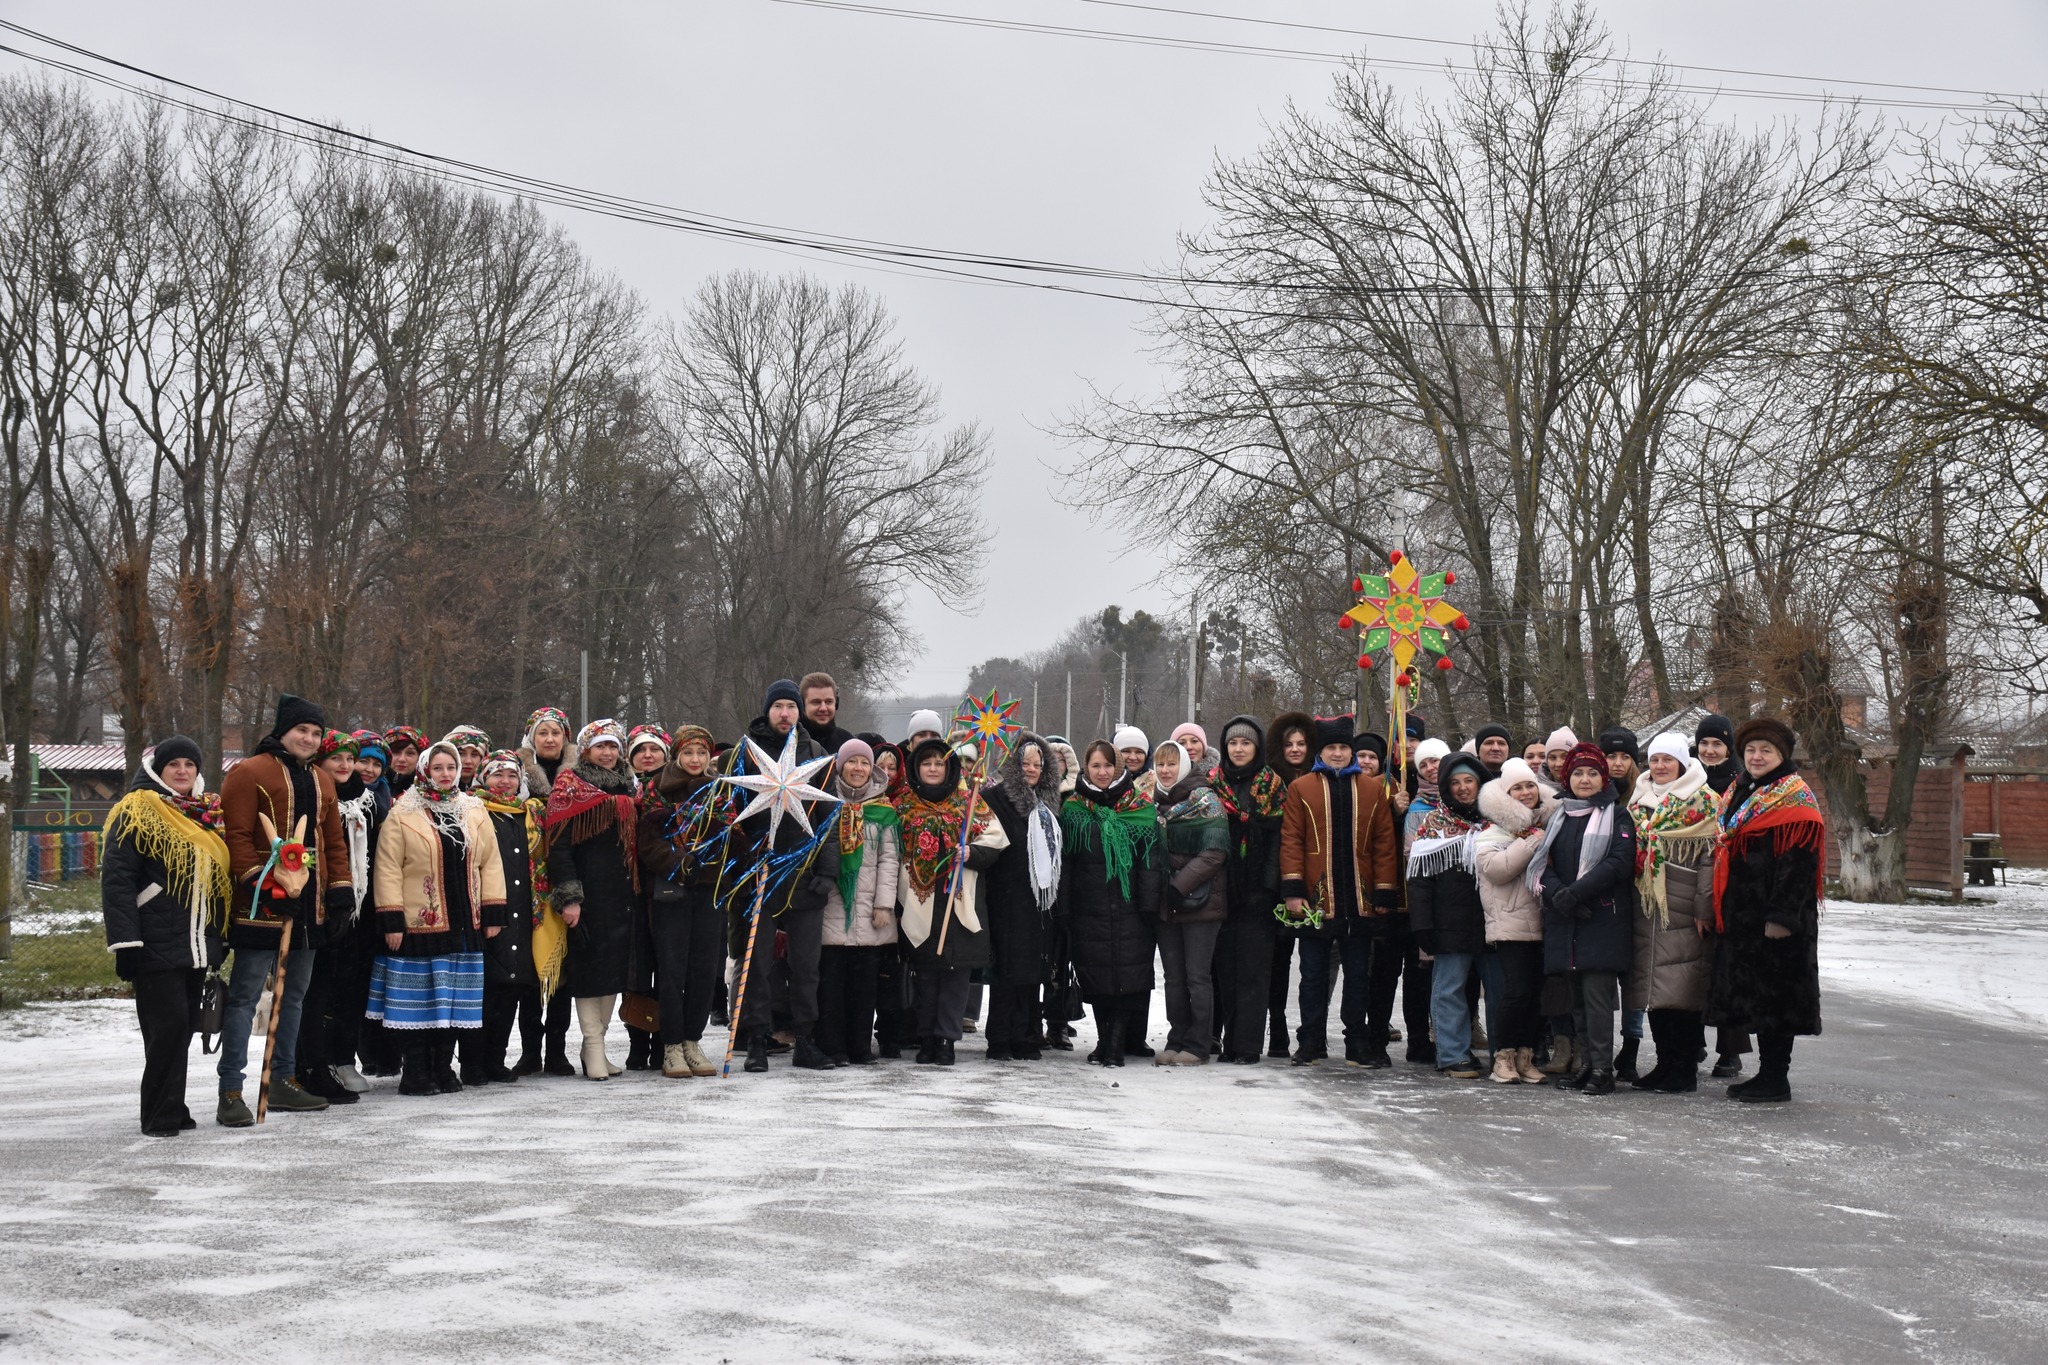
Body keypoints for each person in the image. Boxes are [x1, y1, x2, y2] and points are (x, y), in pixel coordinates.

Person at [216, 695, 354, 1126]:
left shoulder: (321, 779)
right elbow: (236, 835)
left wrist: (340, 890)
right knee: (244, 997)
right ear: (283, 731)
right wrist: (262, 880)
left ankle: (282, 1079)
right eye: (302, 731)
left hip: (309, 905)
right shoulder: (249, 773)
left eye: (316, 733)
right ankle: (232, 1090)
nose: (309, 739)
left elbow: (333, 841)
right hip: (260, 905)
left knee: (293, 994)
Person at [101, 736, 230, 1137]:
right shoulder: (136, 810)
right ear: (157, 769)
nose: (182, 771)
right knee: (168, 1028)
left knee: (183, 1026)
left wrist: (217, 939)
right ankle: (158, 1114)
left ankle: (173, 1104)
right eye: (173, 764)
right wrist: (126, 944)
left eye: (189, 764)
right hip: (152, 941)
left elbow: (216, 882)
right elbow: (118, 881)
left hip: (193, 942)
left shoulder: (204, 813)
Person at [368, 740, 507, 1095]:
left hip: (465, 922)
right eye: (437, 768)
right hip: (420, 923)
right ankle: (415, 1071)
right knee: (421, 1002)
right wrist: (392, 920)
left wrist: (493, 911)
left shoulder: (473, 810)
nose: (444, 775)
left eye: (450, 768)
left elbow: (490, 862)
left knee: (453, 1000)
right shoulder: (403, 812)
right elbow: (387, 869)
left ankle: (443, 1068)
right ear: (424, 771)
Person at [1707, 717, 1825, 1104]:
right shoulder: (1743, 790)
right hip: (1744, 914)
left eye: (1766, 750)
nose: (1757, 756)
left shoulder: (1795, 798)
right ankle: (1765, 1074)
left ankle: (1776, 1078)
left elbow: (1800, 864)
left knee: (1778, 1000)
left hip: (1776, 919)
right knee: (1758, 998)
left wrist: (1782, 917)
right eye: (1751, 750)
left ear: (1782, 755)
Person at [731, 680, 841, 1074]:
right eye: (777, 706)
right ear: (768, 711)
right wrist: (744, 859)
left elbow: (829, 819)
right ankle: (757, 1038)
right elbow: (732, 816)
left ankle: (805, 1039)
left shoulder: (815, 755)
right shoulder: (748, 755)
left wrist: (827, 871)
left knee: (806, 965)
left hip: (804, 876)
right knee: (757, 963)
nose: (785, 714)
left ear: (799, 712)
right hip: (760, 876)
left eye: (791, 707)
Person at [1279, 716, 1402, 1068]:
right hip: (1318, 901)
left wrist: (1383, 892)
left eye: (1343, 747)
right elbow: (1292, 842)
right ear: (1321, 750)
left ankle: (1357, 1042)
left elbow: (1383, 844)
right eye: (1331, 747)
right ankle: (1311, 1040)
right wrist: (1293, 890)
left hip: (1360, 901)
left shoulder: (1371, 789)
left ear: (1350, 751)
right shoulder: (1301, 788)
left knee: (1358, 975)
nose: (1337, 753)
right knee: (1313, 975)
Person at [1535, 741, 1640, 1095]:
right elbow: (1542, 863)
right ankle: (1587, 1065)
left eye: (1592, 773)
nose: (1584, 779)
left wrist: (1575, 893)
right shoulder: (1560, 815)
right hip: (1567, 918)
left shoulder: (1618, 816)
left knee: (1597, 1000)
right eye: (1578, 773)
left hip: (1601, 919)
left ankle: (1602, 1070)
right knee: (1576, 999)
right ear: (1567, 778)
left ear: (1603, 778)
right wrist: (1557, 894)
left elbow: (1619, 862)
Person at [894, 738, 1006, 1065]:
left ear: (949, 767)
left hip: (960, 900)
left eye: (939, 763)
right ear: (916, 767)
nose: (932, 768)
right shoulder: (903, 805)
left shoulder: (969, 803)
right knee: (926, 975)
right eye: (926, 763)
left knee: (955, 976)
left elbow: (995, 840)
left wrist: (972, 852)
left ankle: (947, 1038)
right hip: (920, 899)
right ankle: (927, 1036)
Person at [544, 719, 642, 1080]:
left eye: (613, 746)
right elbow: (559, 849)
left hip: (622, 895)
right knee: (589, 972)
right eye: (600, 746)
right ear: (586, 749)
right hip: (587, 896)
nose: (607, 752)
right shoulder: (569, 787)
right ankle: (593, 1044)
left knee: (614, 972)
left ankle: (593, 1048)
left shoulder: (631, 788)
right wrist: (570, 897)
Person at [1626, 732, 1721, 1093]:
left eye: (1668, 760)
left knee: (1683, 993)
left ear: (1682, 762)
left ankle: (1683, 1069)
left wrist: (1704, 907)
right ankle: (1665, 1064)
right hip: (1645, 907)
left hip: (1684, 910)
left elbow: (1711, 860)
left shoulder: (1705, 801)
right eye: (1654, 760)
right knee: (1653, 992)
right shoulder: (1638, 801)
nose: (1660, 766)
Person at [636, 725, 730, 1078]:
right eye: (688, 753)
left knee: (706, 969)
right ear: (676, 755)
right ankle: (671, 1044)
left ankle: (693, 1039)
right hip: (670, 890)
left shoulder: (720, 790)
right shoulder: (657, 789)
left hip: (709, 889)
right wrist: (681, 862)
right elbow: (648, 843)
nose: (695, 760)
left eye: (702, 753)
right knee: (672, 969)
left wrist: (732, 848)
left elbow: (730, 834)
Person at [1060, 740, 1158, 1066]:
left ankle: (1116, 1045)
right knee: (1097, 980)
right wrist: (1065, 906)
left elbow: (1149, 861)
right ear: (1086, 769)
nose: (1102, 772)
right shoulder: (1074, 810)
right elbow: (1067, 864)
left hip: (1132, 909)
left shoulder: (1139, 806)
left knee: (1127, 980)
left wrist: (1148, 906)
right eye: (1095, 766)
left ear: (1118, 768)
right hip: (1090, 910)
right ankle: (1103, 1042)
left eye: (1108, 766)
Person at [293, 730, 369, 1106]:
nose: (344, 765)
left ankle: (339, 1060)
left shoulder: (366, 798)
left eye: (349, 758)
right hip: (318, 904)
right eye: (335, 757)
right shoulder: (315, 793)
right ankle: (308, 1064)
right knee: (314, 990)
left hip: (357, 908)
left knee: (347, 990)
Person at [1406, 752, 1491, 1081]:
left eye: (1469, 780)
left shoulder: (1496, 821)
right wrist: (1422, 924)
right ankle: (1452, 1053)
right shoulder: (1432, 825)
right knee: (1448, 990)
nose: (1463, 788)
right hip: (1448, 922)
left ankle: (1505, 1053)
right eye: (1455, 782)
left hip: (1493, 921)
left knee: (1499, 990)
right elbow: (1419, 880)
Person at [815, 738, 900, 1065]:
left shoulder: (884, 810)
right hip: (832, 909)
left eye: (864, 763)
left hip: (869, 914)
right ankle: (832, 1046)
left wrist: (883, 905)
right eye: (852, 762)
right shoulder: (824, 804)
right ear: (841, 766)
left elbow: (889, 861)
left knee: (865, 987)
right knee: (831, 985)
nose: (858, 768)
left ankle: (860, 1047)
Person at [464, 751, 547, 1084]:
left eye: (512, 775)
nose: (505, 781)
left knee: (512, 987)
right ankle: (473, 1062)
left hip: (524, 913)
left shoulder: (527, 814)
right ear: (484, 778)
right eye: (497, 774)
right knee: (484, 989)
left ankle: (496, 1059)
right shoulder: (473, 811)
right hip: (487, 911)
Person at [980, 733, 1061, 1062]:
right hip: (1005, 895)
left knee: (1031, 971)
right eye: (1025, 762)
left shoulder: (1049, 803)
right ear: (1014, 763)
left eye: (1037, 764)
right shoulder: (995, 798)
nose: (1030, 769)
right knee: (1006, 970)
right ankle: (999, 1036)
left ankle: (1025, 1034)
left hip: (1039, 901)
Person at [1474, 758, 1555, 1084]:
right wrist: (1534, 840)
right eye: (1517, 787)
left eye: (1529, 785)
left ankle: (1526, 1056)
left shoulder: (1550, 824)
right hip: (1510, 925)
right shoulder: (1491, 831)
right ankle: (1503, 1057)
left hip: (1544, 923)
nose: (1525, 792)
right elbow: (1498, 869)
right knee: (1516, 992)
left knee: (1536, 995)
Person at [1209, 715, 1284, 1065]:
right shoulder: (1211, 784)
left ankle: (1249, 1045)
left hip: (1259, 894)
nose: (1239, 749)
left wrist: (1268, 888)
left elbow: (1279, 843)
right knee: (1226, 971)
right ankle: (1229, 1041)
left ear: (1258, 748)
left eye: (1246, 743)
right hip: (1222, 890)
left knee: (1254, 972)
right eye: (1233, 743)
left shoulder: (1272, 785)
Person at [1151, 739, 1227, 1065]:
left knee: (1197, 975)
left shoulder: (1205, 799)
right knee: (1173, 977)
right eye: (1161, 765)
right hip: (1165, 903)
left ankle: (1199, 1043)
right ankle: (1177, 1035)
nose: (1166, 771)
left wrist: (1178, 885)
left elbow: (1215, 852)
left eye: (1172, 764)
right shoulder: (1148, 801)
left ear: (1183, 766)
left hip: (1201, 902)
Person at [1691, 712, 1749, 1076]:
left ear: (1729, 748)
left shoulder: (1741, 783)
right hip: (1691, 884)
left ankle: (1731, 1050)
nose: (1710, 750)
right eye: (1704, 744)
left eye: (1717, 744)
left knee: (1729, 970)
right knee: (1691, 968)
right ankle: (1692, 1040)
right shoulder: (1686, 781)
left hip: (1730, 885)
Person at [1595, 727, 1649, 1080]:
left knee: (1636, 975)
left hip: (1640, 894)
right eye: (1611, 756)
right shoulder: (1591, 792)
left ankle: (1630, 1045)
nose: (1617, 763)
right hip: (1601, 893)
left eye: (1624, 756)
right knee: (1599, 976)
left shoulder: (1644, 795)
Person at [1264, 710, 1317, 1060]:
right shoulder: (1269, 783)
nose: (1295, 749)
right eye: (1289, 744)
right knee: (1278, 962)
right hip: (1276, 883)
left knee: (1314, 965)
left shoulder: (1321, 779)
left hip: (1314, 882)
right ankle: (1278, 1026)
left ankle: (1312, 1033)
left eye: (1301, 744)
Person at [520, 707, 576, 798]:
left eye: (555, 733)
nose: (550, 740)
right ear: (532, 739)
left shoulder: (580, 771)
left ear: (564, 738)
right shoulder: (518, 772)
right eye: (543, 733)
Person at [801, 672, 854, 753]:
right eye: (816, 702)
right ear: (802, 705)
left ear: (836, 704)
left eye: (828, 702)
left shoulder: (849, 744)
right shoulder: (788, 743)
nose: (823, 708)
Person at [443, 725, 491, 789]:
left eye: (474, 755)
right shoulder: (435, 791)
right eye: (461, 754)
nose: (468, 761)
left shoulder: (493, 792)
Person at [383, 726, 425, 799]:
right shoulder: (371, 786)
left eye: (410, 753)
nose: (402, 759)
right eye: (396, 752)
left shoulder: (427, 793)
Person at [1540, 727, 1578, 795]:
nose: (1558, 764)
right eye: (1553, 758)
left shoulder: (1590, 790)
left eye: (1565, 757)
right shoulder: (1535, 792)